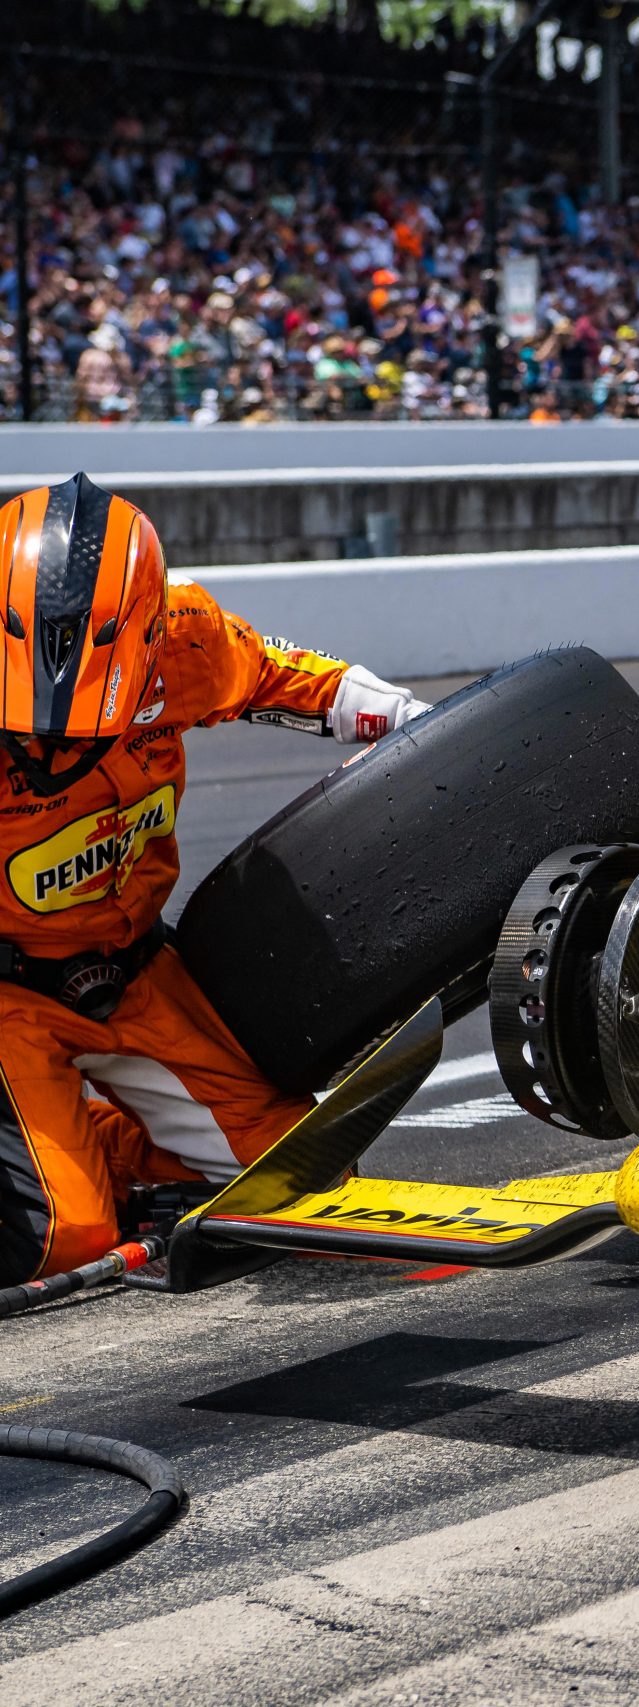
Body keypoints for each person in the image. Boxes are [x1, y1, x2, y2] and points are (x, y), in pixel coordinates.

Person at [0, 475, 431, 1286]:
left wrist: (424, 726)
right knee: (65, 1236)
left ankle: (89, 1144)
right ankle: (57, 1161)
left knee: (304, 1184)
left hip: (131, 968)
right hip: (6, 999)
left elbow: (297, 680)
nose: (53, 748)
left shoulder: (188, 640)